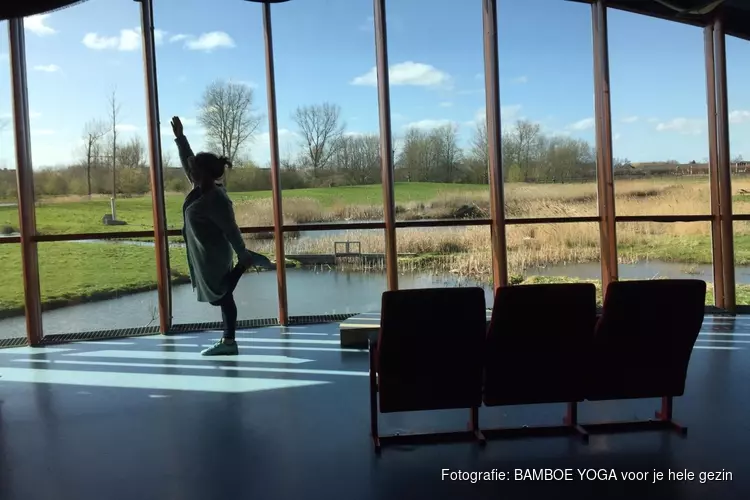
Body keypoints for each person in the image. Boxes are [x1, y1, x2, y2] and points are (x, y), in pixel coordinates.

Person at [171, 116, 271, 356]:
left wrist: (241, 251)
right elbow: (188, 163)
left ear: (205, 174)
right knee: (223, 298)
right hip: (203, 251)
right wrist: (181, 138)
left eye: (195, 170)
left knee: (220, 297)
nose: (190, 172)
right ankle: (229, 342)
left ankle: (245, 263)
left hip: (214, 254)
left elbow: (231, 228)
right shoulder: (200, 188)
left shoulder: (216, 199)